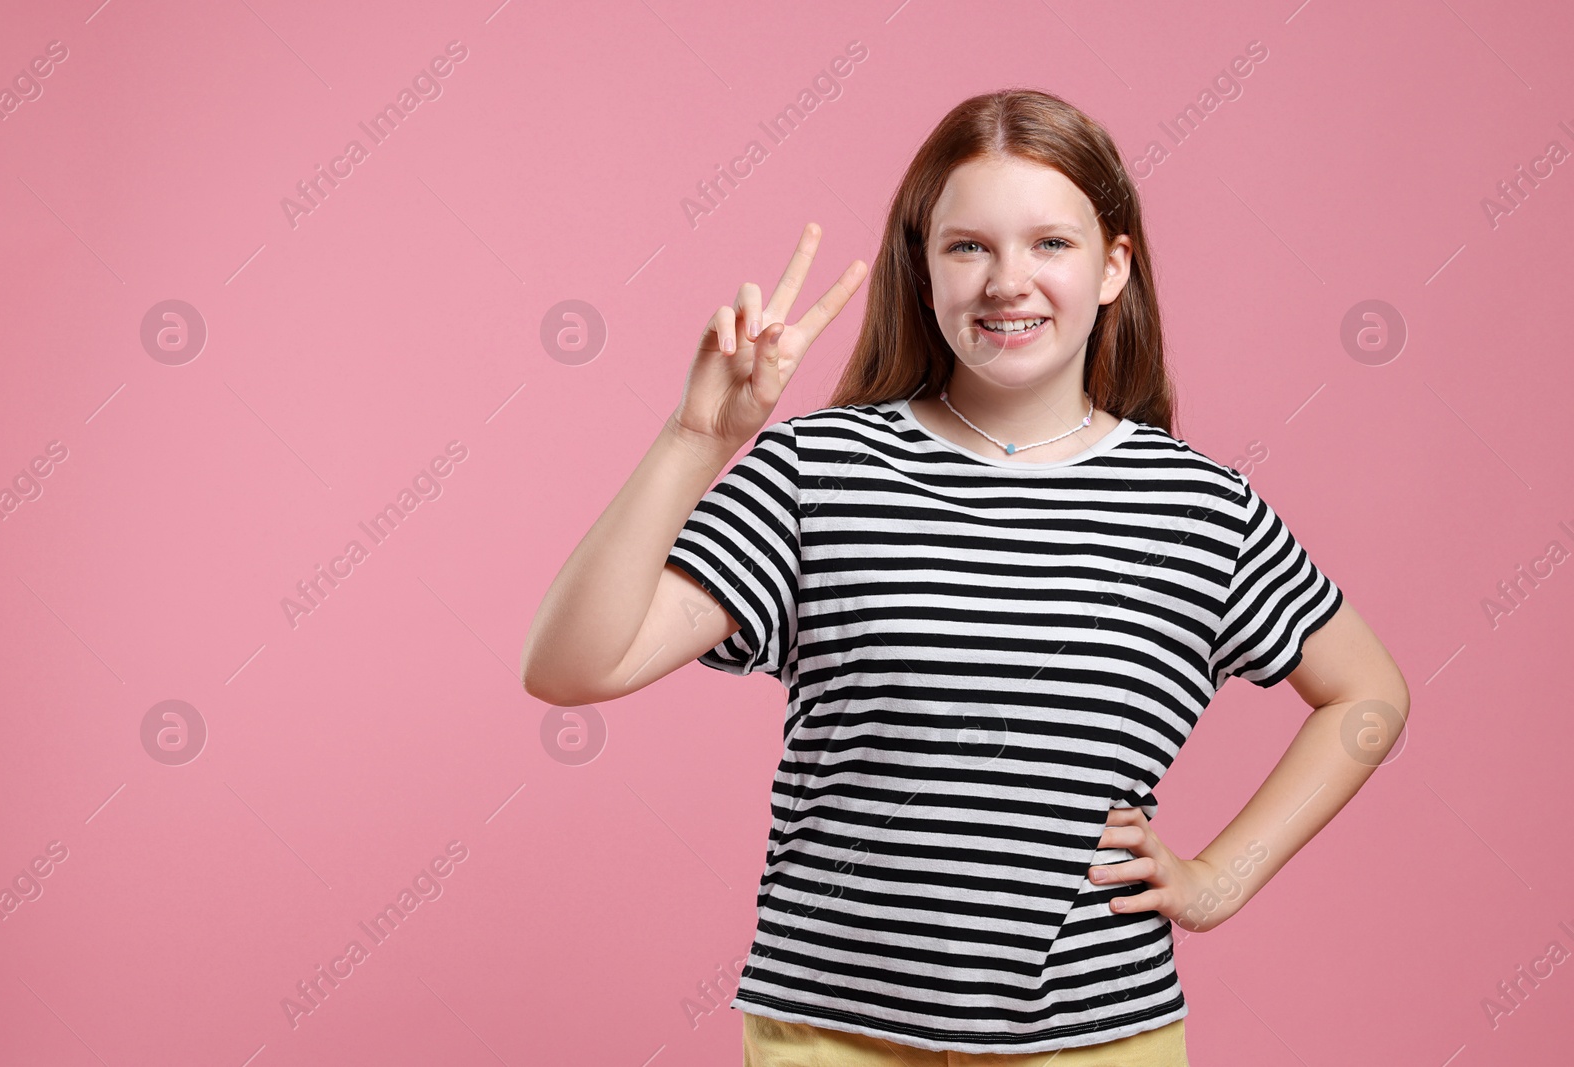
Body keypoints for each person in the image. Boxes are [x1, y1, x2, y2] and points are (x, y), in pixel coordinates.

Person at [521, 88, 1409, 1065]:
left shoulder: (1199, 507)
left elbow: (1366, 694)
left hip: (1097, 1037)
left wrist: (1219, 877)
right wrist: (697, 439)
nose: (1006, 281)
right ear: (923, 266)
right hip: (828, 1032)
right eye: (968, 246)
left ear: (1114, 266)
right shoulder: (819, 471)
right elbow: (571, 667)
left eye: (1050, 245)